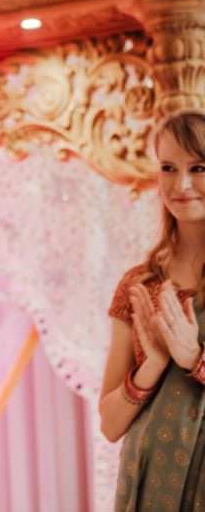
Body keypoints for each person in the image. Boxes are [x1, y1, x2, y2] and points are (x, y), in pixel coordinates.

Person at [100, 111, 205, 510]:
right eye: (168, 168)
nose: (181, 185)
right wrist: (153, 365)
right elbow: (110, 425)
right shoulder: (140, 284)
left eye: (198, 168)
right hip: (147, 485)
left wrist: (195, 360)